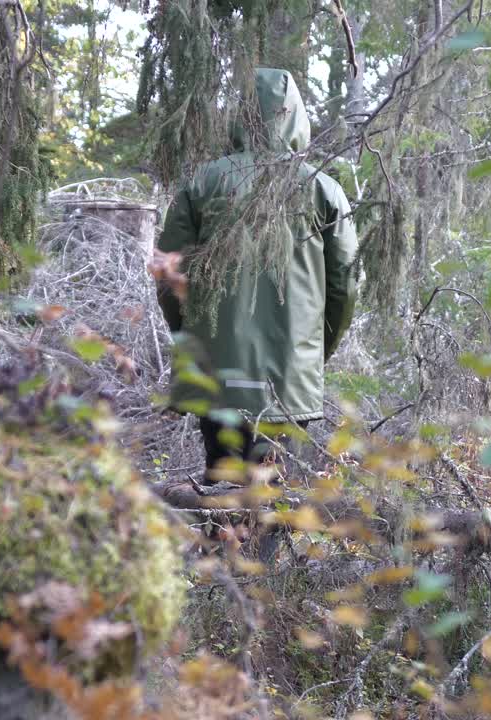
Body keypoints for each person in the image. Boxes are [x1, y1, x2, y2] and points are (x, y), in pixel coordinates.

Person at [153, 67, 358, 483]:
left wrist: (193, 337)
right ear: (296, 116)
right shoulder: (322, 189)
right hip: (288, 376)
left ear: (240, 116)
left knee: (222, 487)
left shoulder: (203, 182)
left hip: (214, 371)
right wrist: (312, 355)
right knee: (272, 492)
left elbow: (168, 278)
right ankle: (255, 549)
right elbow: (346, 287)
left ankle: (221, 549)